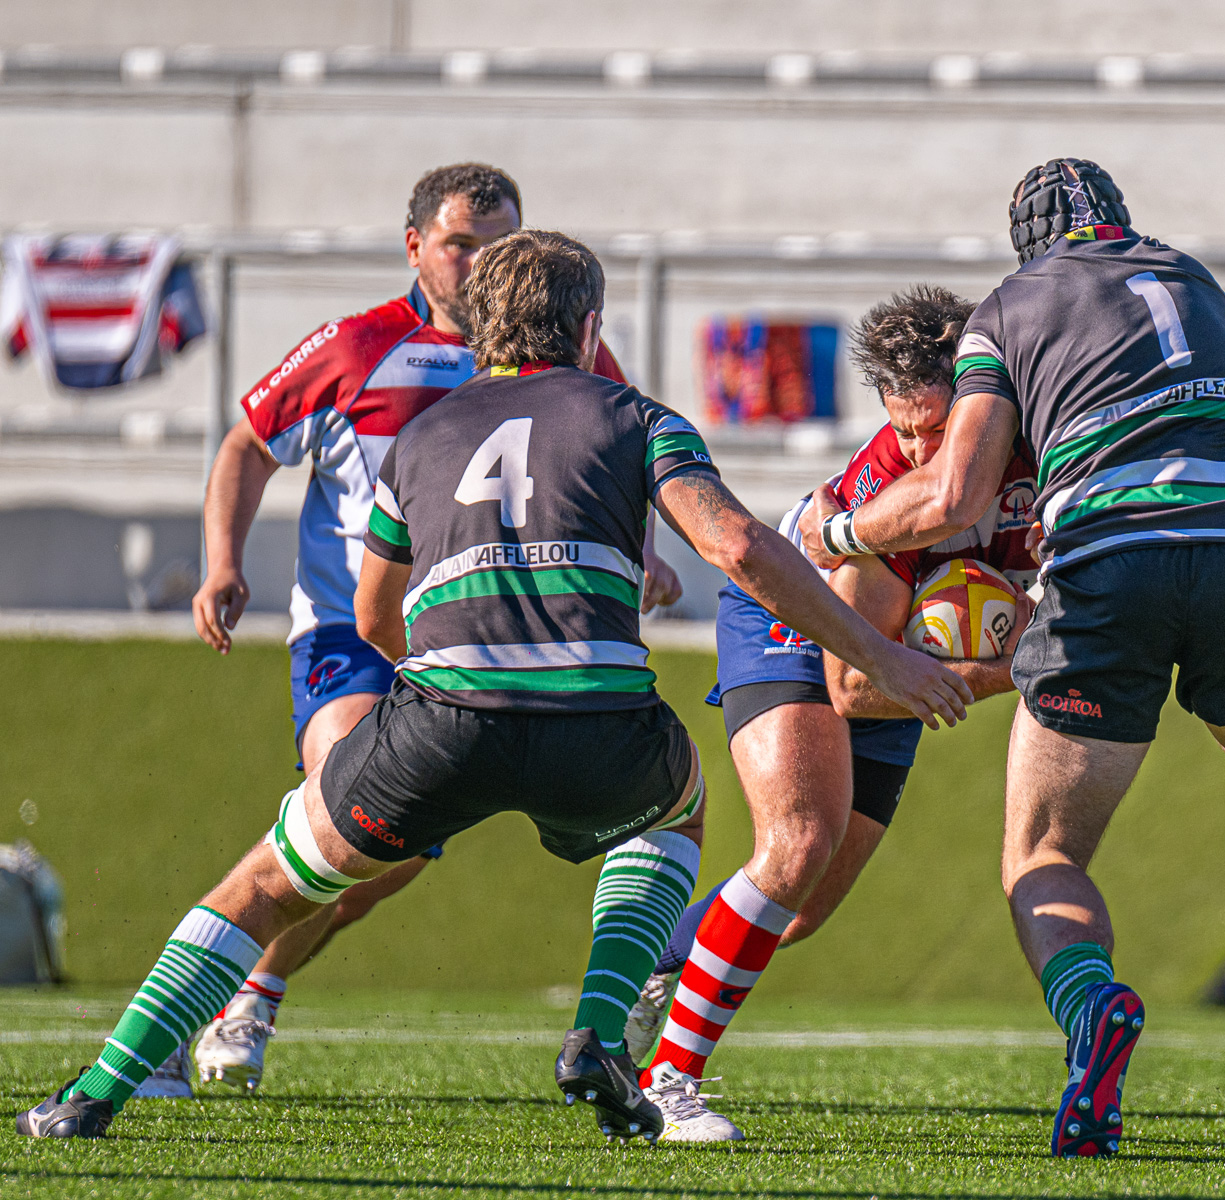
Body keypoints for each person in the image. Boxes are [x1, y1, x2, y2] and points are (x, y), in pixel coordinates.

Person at [17, 229, 970, 1142]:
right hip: (598, 723)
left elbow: (374, 613)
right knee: (673, 814)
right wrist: (884, 658)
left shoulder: (421, 438)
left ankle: (101, 1087)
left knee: (265, 883)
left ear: (479, 329)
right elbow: (736, 545)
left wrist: (447, 685)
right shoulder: (639, 418)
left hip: (441, 721)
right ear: (590, 328)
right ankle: (599, 1034)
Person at [799, 159, 1225, 1156]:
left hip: (1108, 573)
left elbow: (955, 499)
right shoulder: (1193, 283)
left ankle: (1094, 1015)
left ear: (1026, 249)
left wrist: (831, 536)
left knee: (1043, 854)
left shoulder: (1008, 311)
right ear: (1125, 221)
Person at [169, 163, 681, 1098]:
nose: (482, 262)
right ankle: (201, 1007)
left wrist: (639, 551)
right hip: (352, 636)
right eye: (461, 244)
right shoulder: (353, 347)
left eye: (499, 244)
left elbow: (614, 454)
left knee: (387, 850)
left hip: (482, 646)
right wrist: (223, 562)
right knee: (337, 808)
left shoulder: (572, 358)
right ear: (415, 248)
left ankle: (253, 985)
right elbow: (247, 442)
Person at [622, 285, 1040, 1142]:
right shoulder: (883, 481)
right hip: (796, 623)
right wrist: (1015, 667)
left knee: (801, 908)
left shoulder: (1039, 454)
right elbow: (856, 686)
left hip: (906, 650)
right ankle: (667, 1081)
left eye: (937, 426)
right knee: (797, 842)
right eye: (906, 427)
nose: (922, 447)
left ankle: (645, 973)